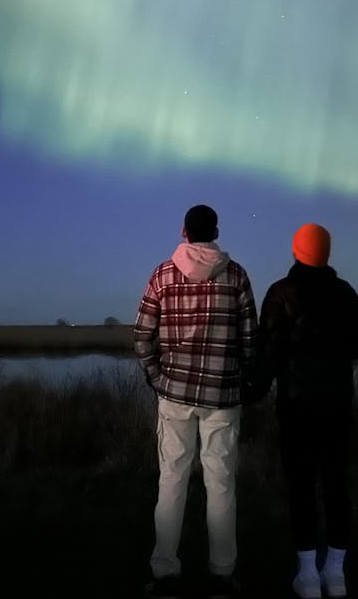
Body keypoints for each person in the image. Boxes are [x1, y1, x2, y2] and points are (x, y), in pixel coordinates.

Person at [134, 204, 258, 599]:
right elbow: (251, 342)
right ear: (216, 232)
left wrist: (156, 376)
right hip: (222, 397)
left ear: (184, 232)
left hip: (175, 395)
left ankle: (165, 571)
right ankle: (222, 574)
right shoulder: (236, 275)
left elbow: (142, 336)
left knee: (171, 480)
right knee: (221, 483)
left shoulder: (162, 275)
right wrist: (240, 377)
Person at [257, 223, 358, 599]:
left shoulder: (279, 293)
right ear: (327, 252)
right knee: (337, 484)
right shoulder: (344, 293)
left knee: (301, 486)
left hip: (296, 406)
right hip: (337, 404)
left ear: (295, 250)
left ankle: (307, 576)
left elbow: (269, 353)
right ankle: (335, 574)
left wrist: (251, 391)